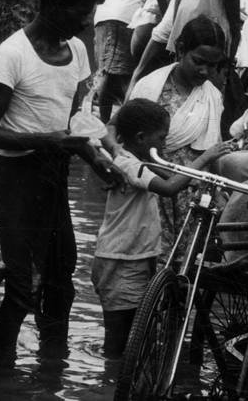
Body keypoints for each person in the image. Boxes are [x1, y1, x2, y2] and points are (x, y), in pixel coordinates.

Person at [0, 0, 114, 361]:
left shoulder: (77, 51)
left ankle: (52, 368)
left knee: (60, 281)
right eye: (81, 13)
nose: (86, 22)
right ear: (53, 4)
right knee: (20, 289)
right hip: (17, 180)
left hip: (55, 177)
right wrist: (46, 141)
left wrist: (96, 158)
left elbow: (73, 121)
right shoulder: (13, 54)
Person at [93, 98, 231, 356]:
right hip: (120, 260)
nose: (165, 144)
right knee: (118, 340)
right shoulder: (129, 164)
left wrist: (201, 181)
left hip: (135, 256)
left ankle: (123, 375)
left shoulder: (142, 161)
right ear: (141, 138)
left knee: (138, 334)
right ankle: (111, 377)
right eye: (162, 138)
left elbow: (175, 177)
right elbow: (170, 187)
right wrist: (206, 157)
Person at [128, 15, 226, 256]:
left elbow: (214, 148)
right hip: (155, 187)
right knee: (151, 257)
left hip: (195, 193)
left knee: (188, 263)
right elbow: (128, 142)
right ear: (181, 50)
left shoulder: (212, 96)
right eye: (198, 61)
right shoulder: (150, 87)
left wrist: (219, 191)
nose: (205, 71)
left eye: (212, 65)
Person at [94, 0, 176, 122]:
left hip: (103, 14)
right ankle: (118, 124)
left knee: (107, 72)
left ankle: (106, 122)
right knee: (124, 76)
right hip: (128, 18)